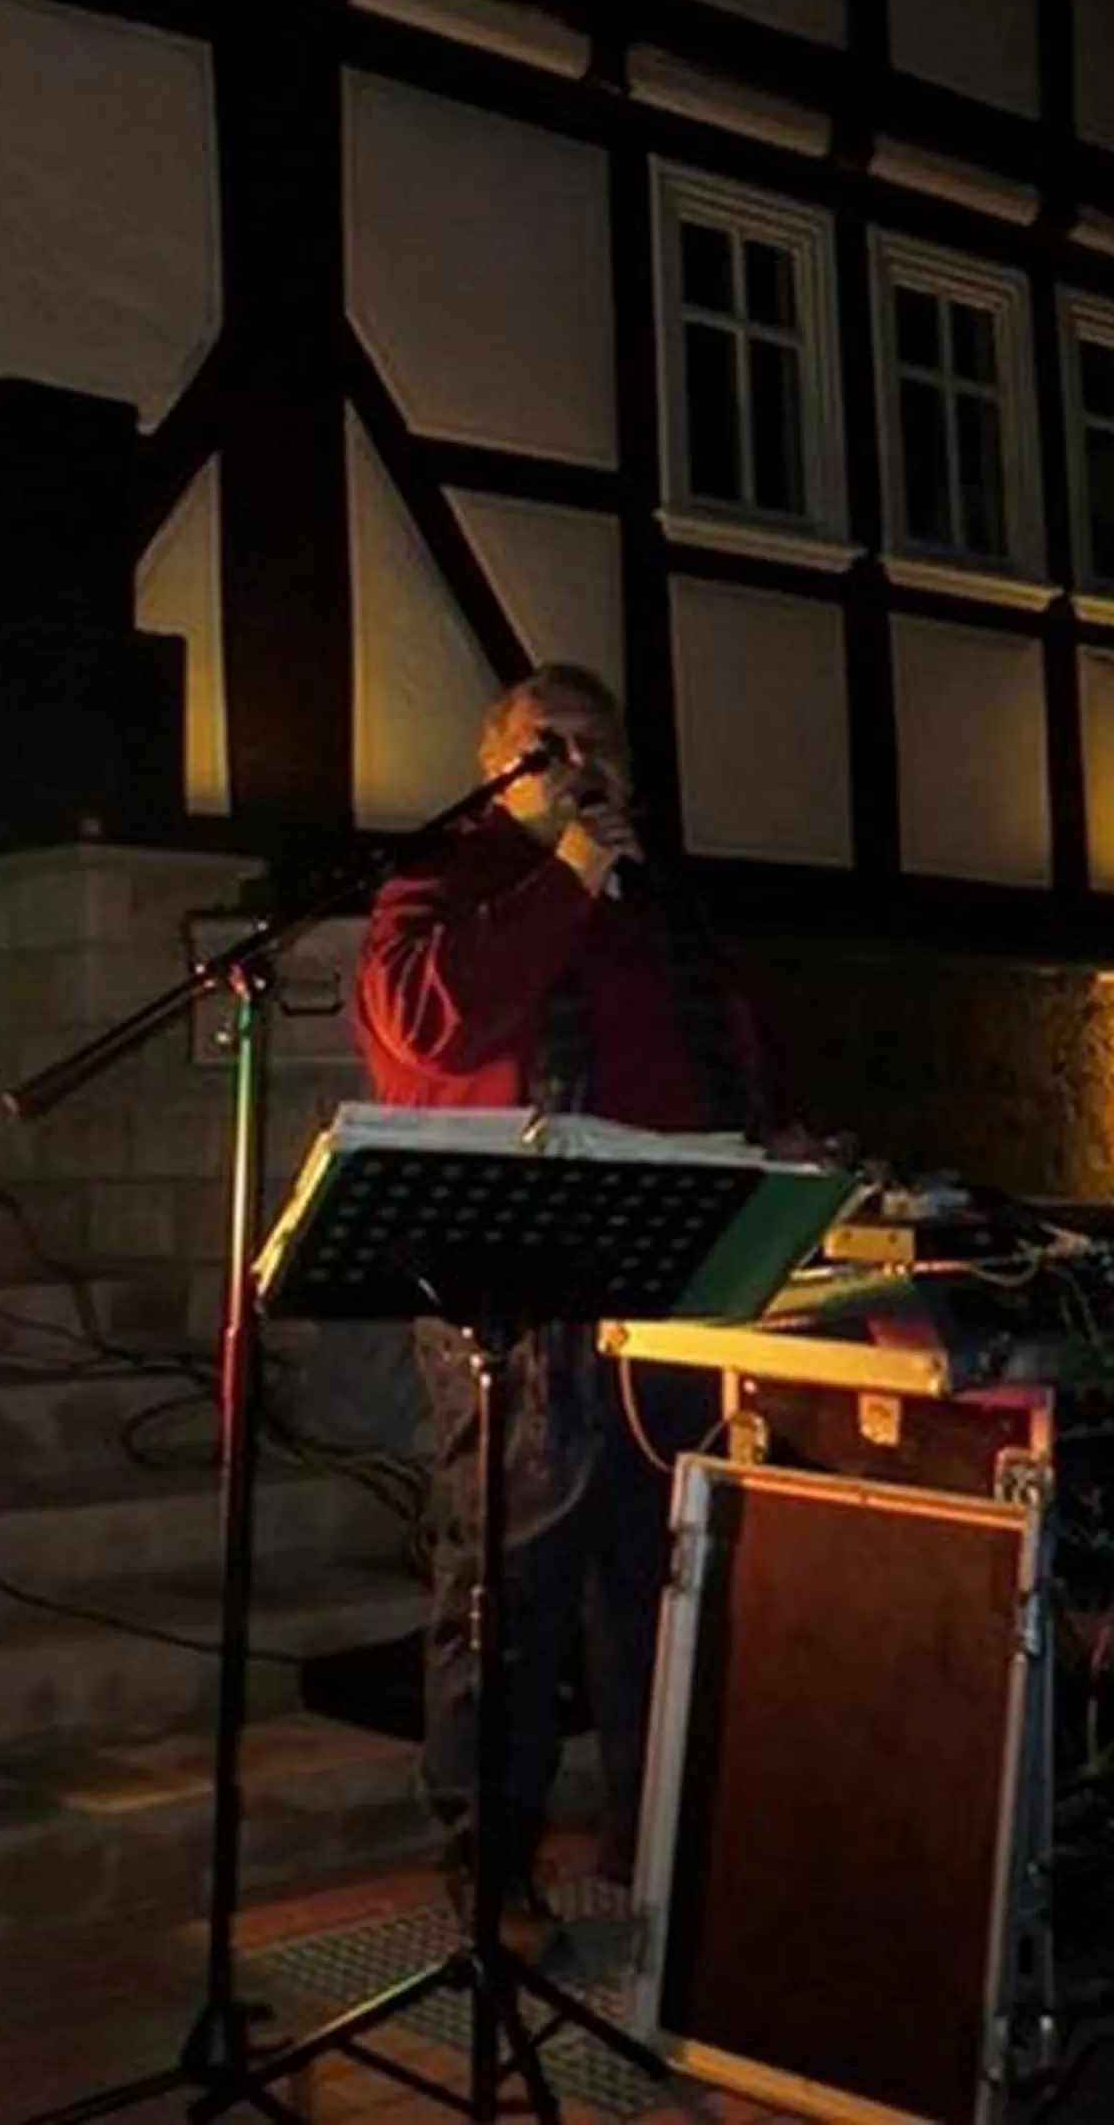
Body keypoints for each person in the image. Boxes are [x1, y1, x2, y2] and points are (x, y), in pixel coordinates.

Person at [352, 663, 777, 1964]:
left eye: (601, 745)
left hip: (666, 1303)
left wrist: (777, 1146)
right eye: (549, 745)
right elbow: (426, 1024)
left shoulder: (666, 916)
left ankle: (657, 1849)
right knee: (508, 1588)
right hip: (514, 1307)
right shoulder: (444, 887)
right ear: (494, 768)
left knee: (663, 1579)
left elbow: (728, 1066)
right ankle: (491, 1869)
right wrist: (567, 876)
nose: (580, 764)